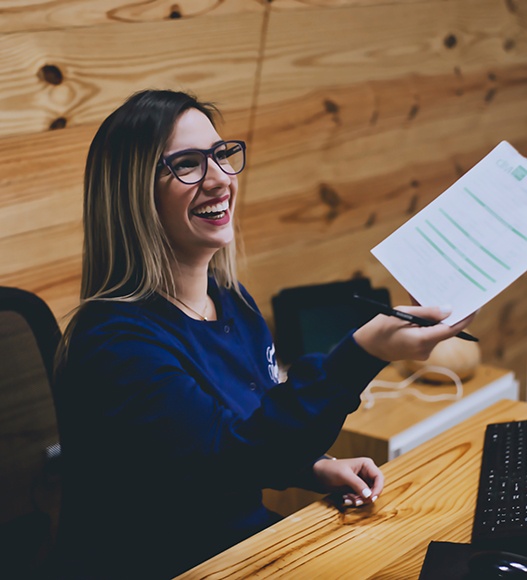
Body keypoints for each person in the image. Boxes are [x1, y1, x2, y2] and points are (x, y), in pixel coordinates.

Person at [52, 89, 475, 580]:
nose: (219, 180)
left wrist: (310, 467)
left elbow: (249, 431)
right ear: (133, 196)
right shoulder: (114, 344)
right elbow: (225, 463)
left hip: (240, 547)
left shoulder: (228, 299)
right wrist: (363, 353)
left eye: (221, 156)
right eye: (188, 164)